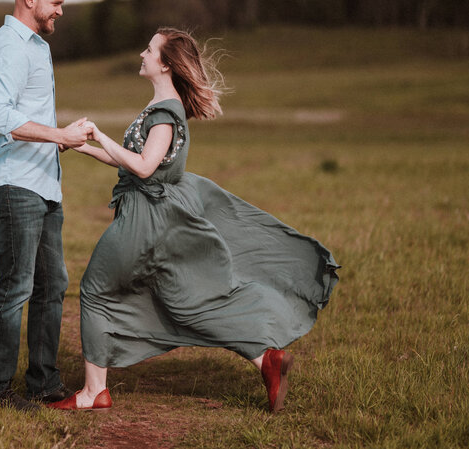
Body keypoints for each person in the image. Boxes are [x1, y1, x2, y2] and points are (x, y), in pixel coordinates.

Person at [48, 27, 339, 413]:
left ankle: (93, 392)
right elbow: (132, 166)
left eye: (149, 49)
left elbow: (145, 167)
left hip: (144, 219)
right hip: (157, 217)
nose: (142, 53)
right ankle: (266, 360)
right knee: (186, 304)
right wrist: (80, 146)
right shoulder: (161, 109)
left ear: (165, 64)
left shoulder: (165, 114)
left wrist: (101, 135)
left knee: (95, 289)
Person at [0, 0, 91, 412]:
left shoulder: (38, 48)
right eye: (56, 2)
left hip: (44, 185)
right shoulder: (7, 47)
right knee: (15, 285)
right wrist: (61, 136)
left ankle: (43, 383)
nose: (60, 10)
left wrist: (63, 138)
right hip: (13, 184)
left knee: (52, 284)